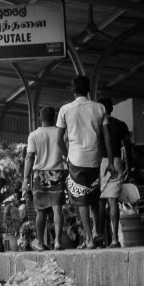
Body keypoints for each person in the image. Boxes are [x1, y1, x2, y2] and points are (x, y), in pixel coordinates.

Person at [57, 75, 114, 248]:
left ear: (73, 90)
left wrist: (67, 158)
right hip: (95, 158)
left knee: (81, 199)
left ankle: (89, 239)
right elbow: (107, 137)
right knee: (94, 196)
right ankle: (97, 231)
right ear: (88, 89)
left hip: (76, 159)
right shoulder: (100, 108)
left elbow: (59, 139)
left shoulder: (65, 109)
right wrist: (110, 161)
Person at [23, 106, 68, 251]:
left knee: (40, 211)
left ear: (40, 118)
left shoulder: (34, 135)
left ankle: (41, 243)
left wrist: (25, 178)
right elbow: (67, 154)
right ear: (54, 118)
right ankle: (57, 242)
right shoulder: (61, 133)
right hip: (57, 173)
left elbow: (29, 156)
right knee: (57, 209)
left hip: (40, 176)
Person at [98, 97, 134, 248]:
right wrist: (130, 166)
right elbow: (128, 146)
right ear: (111, 108)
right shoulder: (121, 125)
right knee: (112, 201)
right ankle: (114, 239)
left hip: (99, 162)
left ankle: (98, 238)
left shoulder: (97, 125)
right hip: (116, 162)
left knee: (99, 202)